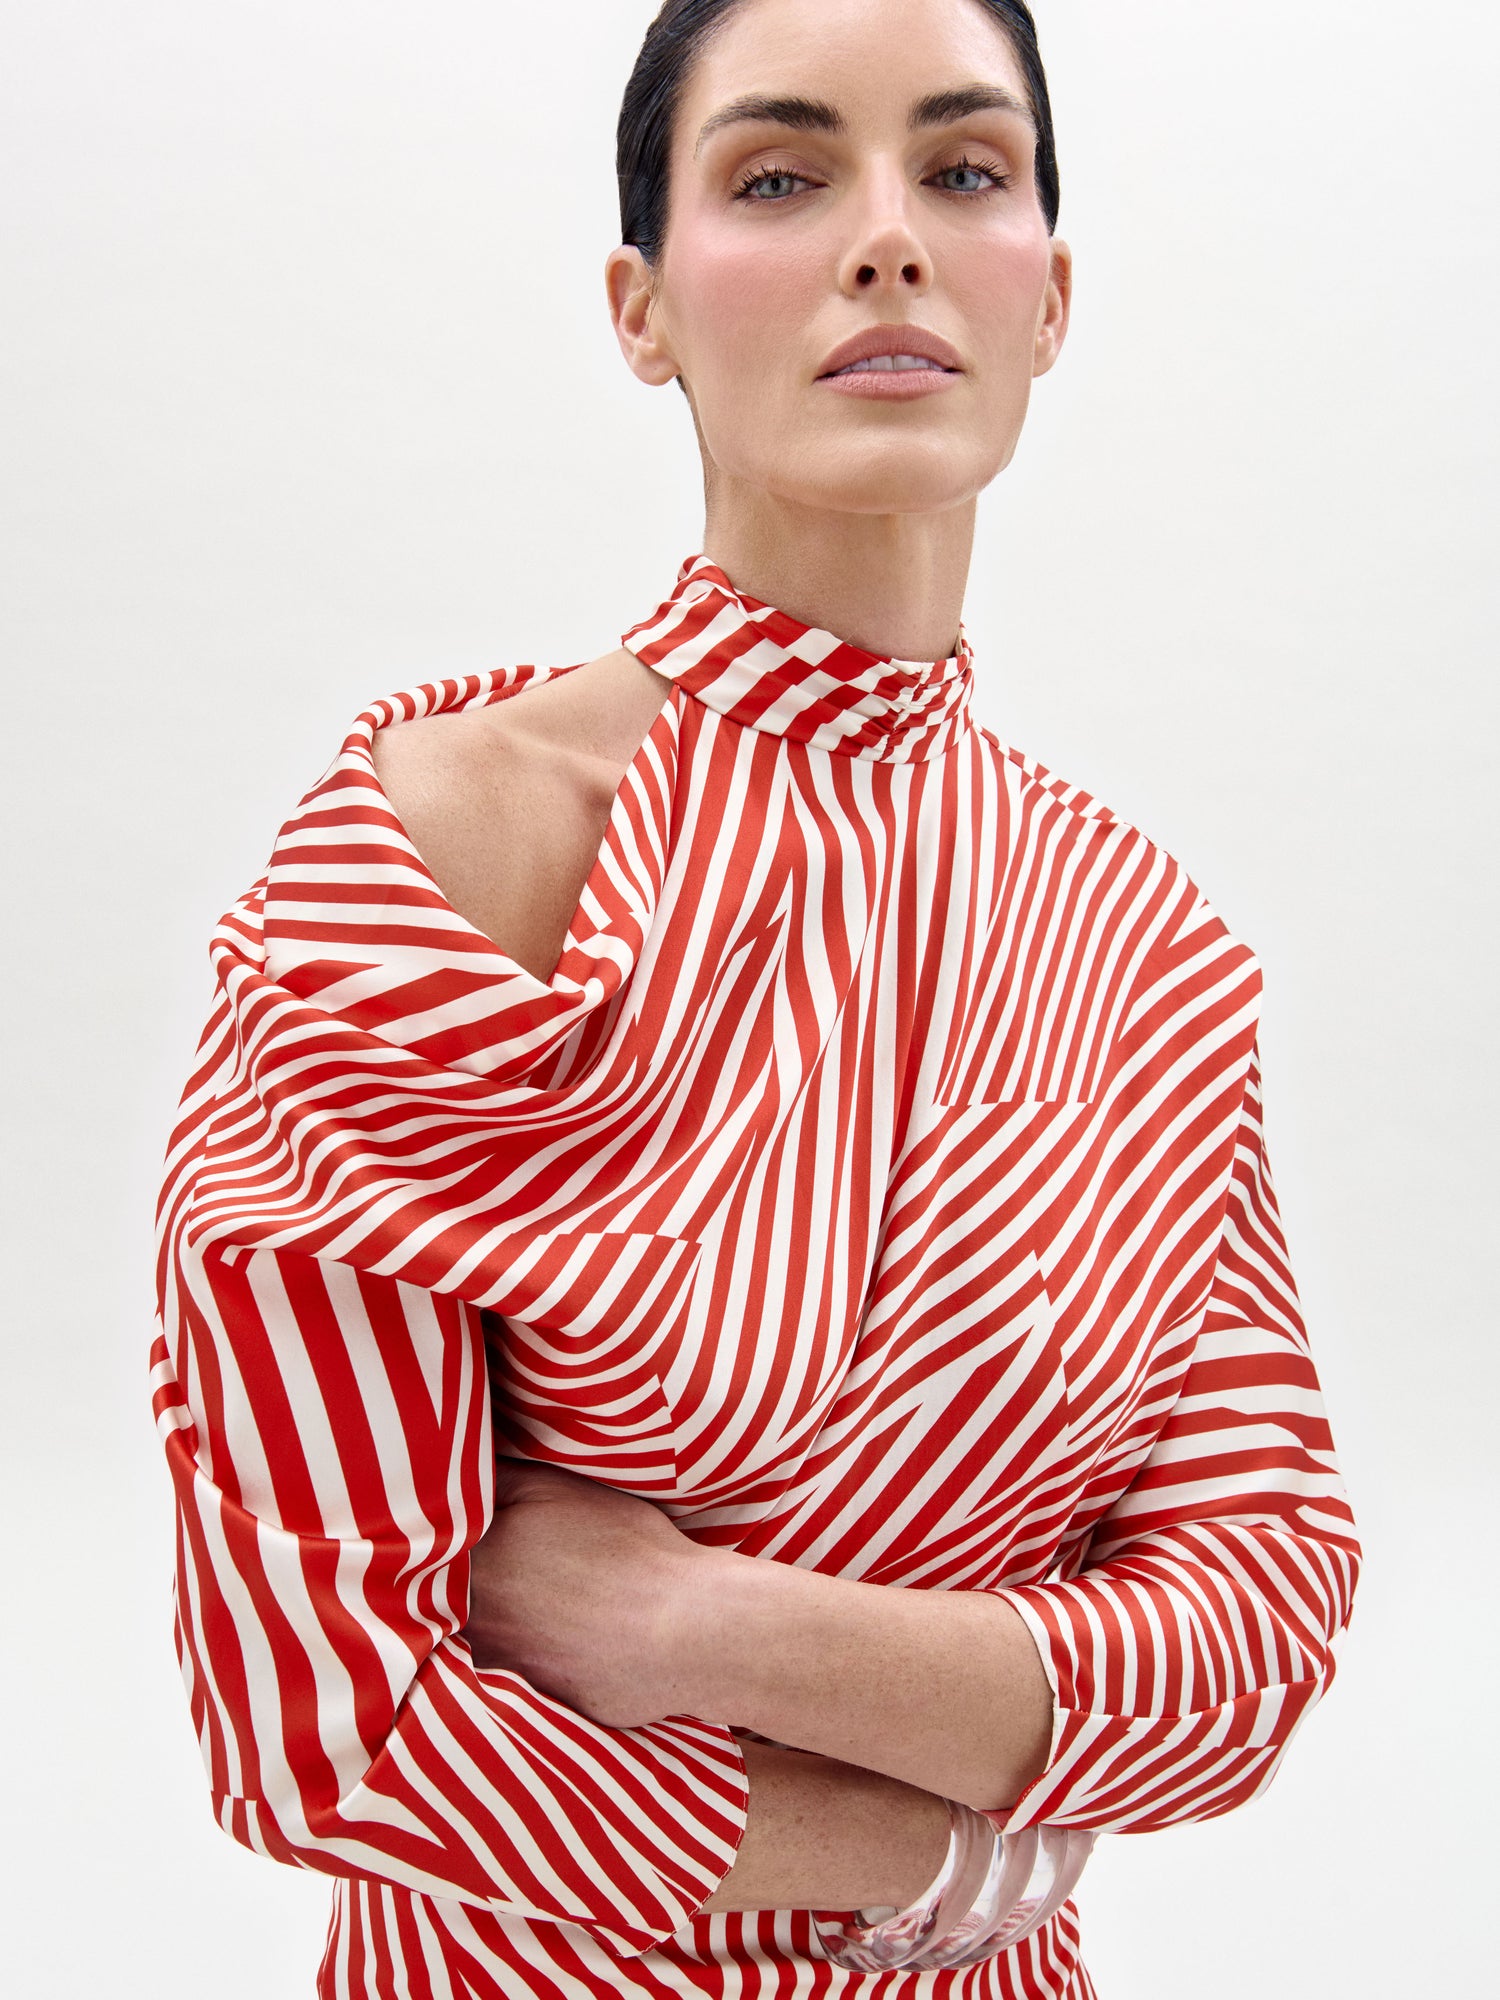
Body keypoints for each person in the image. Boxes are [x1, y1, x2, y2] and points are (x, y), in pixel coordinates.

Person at [150, 1, 1362, 1994]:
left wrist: (690, 1626)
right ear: (642, 308)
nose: (887, 237)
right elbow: (320, 1723)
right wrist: (957, 1842)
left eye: (965, 171)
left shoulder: (1148, 954)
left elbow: (1255, 1649)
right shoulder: (443, 861)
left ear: (1047, 297)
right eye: (781, 176)